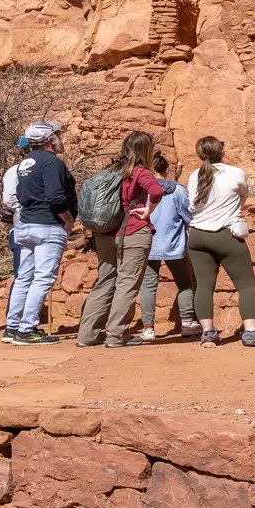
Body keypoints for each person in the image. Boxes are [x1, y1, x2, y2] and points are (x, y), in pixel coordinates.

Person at [185, 136, 255, 347]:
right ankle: (252, 332)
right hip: (225, 234)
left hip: (197, 236)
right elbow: (244, 196)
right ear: (221, 151)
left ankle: (208, 334)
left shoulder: (194, 175)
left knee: (204, 286)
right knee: (246, 285)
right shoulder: (235, 172)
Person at [76, 131, 167, 347]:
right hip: (133, 232)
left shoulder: (110, 170)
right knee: (127, 283)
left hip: (106, 235)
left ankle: (87, 335)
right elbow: (156, 190)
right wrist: (148, 210)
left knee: (104, 282)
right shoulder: (139, 171)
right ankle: (117, 336)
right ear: (146, 150)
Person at [3, 122, 76, 345]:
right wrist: (69, 219)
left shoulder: (25, 162)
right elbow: (55, 196)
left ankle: (12, 328)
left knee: (24, 278)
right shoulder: (52, 162)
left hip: (25, 226)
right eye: (58, 135)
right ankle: (27, 330)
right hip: (47, 226)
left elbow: (21, 195)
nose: (60, 138)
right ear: (49, 140)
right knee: (43, 278)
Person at [138, 152, 199, 341]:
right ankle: (187, 323)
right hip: (174, 244)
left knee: (148, 286)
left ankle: (148, 328)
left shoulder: (142, 190)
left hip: (149, 243)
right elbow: (188, 216)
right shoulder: (177, 190)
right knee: (184, 284)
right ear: (166, 170)